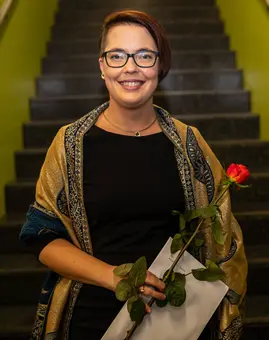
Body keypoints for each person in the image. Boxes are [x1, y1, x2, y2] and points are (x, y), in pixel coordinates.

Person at [20, 9, 247, 340]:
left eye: (144, 56)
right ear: (101, 66)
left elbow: (221, 236)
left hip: (177, 321)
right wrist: (113, 276)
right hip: (92, 317)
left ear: (159, 66)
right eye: (117, 56)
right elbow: (40, 236)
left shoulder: (189, 143)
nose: (130, 67)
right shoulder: (70, 144)